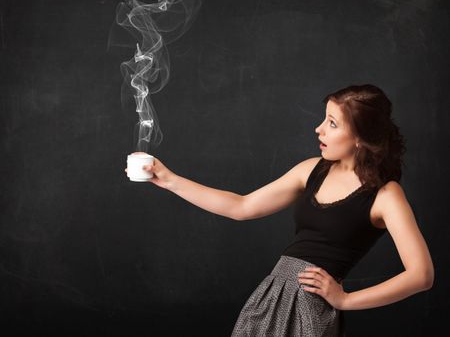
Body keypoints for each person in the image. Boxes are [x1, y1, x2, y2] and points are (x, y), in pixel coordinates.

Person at [125, 84, 434, 336]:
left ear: (360, 138)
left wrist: (346, 300)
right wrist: (170, 180)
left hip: (311, 308)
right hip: (270, 295)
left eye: (332, 123)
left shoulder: (386, 195)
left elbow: (421, 275)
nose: (318, 129)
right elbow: (241, 206)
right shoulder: (312, 169)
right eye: (324, 118)